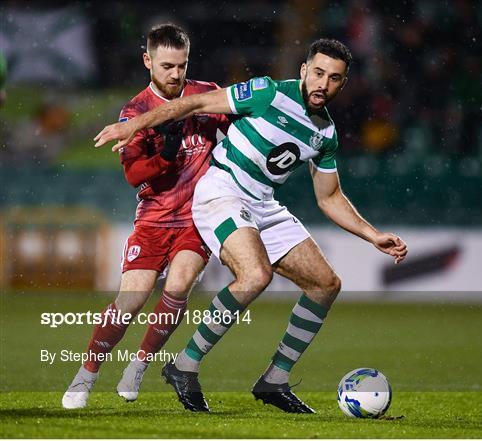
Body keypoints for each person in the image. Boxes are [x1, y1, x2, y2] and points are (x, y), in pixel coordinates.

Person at [94, 38, 408, 414]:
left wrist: (373, 235)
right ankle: (184, 365)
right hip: (221, 191)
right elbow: (194, 103)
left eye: (335, 78)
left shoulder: (325, 134)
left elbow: (329, 198)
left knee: (326, 285)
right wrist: (135, 125)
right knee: (255, 275)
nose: (323, 84)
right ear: (304, 71)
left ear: (344, 83)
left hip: (263, 204)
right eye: (319, 73)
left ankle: (274, 379)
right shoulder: (267, 93)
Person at [62, 23, 230, 409]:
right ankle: (86, 373)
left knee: (179, 285)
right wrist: (166, 156)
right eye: (167, 66)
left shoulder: (206, 95)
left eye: (181, 65)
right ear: (147, 61)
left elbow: (238, 126)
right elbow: (133, 175)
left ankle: (139, 365)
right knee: (130, 302)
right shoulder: (135, 111)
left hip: (195, 217)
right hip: (153, 219)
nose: (175, 74)